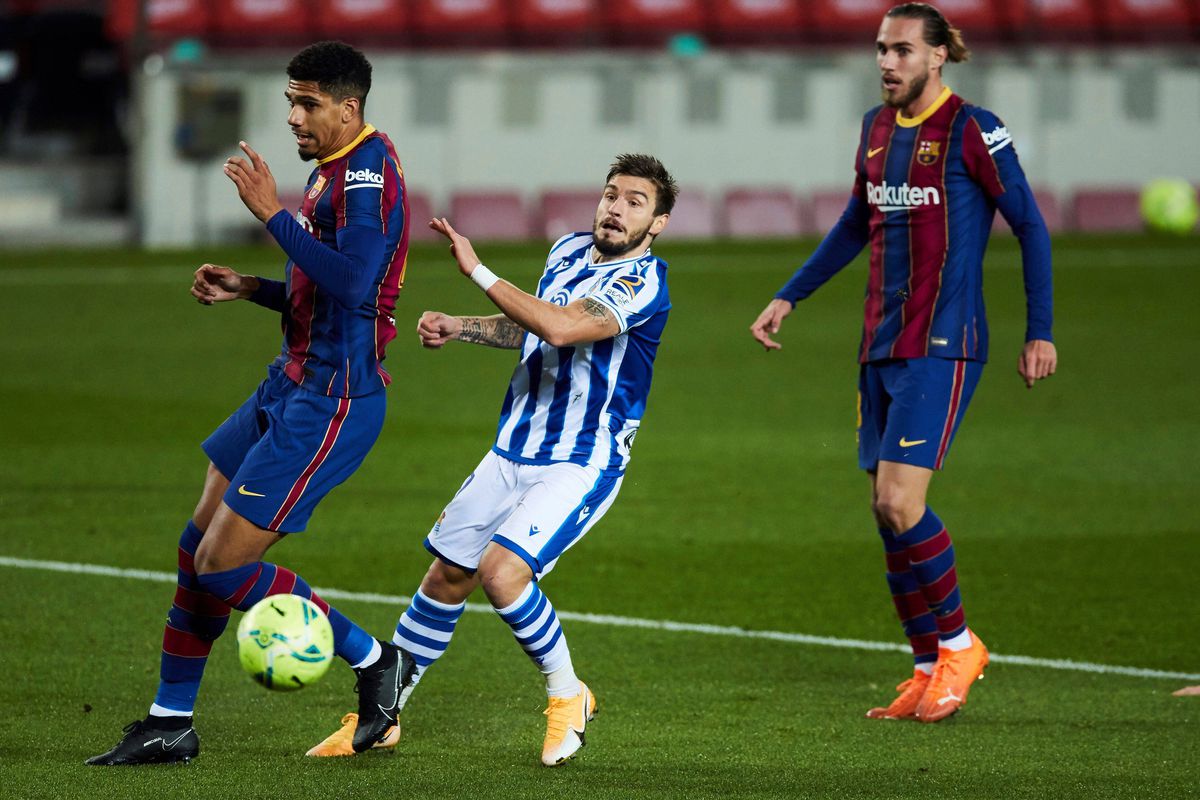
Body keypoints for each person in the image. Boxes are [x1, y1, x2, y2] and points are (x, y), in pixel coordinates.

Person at [87, 41, 413, 765]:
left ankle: (373, 659)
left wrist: (271, 215)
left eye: (307, 104)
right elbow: (324, 290)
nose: (293, 117)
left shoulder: (366, 174)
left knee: (224, 565)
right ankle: (170, 721)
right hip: (290, 380)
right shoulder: (337, 168)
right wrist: (253, 288)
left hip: (331, 402)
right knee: (194, 548)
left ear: (347, 107)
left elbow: (357, 285)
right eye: (289, 102)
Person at [305, 154, 677, 766]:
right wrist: (462, 326)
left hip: (580, 460)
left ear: (657, 223)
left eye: (636, 202)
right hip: (512, 448)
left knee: (502, 574)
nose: (616, 208)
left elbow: (561, 329)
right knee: (446, 576)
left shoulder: (642, 281)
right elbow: (531, 325)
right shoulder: (568, 251)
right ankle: (383, 714)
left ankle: (568, 695)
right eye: (612, 194)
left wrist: (476, 271)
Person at [750, 3, 1057, 723]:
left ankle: (959, 646)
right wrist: (790, 295)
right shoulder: (875, 128)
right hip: (879, 342)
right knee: (884, 513)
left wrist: (1038, 331)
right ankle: (924, 667)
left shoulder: (973, 128)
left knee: (900, 502)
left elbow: (1032, 226)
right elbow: (858, 221)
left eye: (901, 51)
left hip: (944, 341)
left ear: (939, 55)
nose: (886, 63)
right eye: (881, 50)